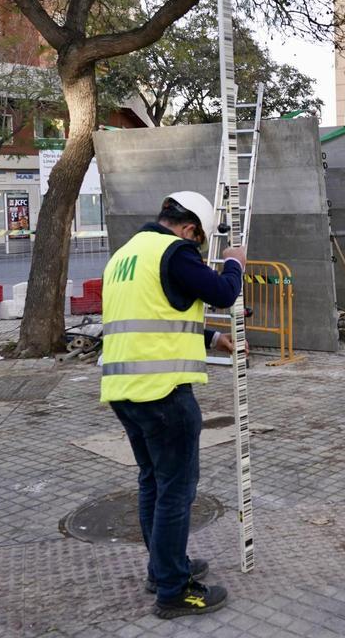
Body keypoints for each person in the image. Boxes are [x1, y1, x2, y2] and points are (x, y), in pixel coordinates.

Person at [101, 191, 244, 620]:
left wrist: (209, 337)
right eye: (198, 243)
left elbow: (153, 313)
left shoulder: (126, 255)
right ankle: (174, 590)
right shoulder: (175, 251)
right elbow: (223, 293)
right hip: (163, 392)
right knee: (176, 493)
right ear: (190, 229)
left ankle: (162, 568)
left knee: (153, 483)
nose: (196, 251)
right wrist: (235, 261)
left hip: (123, 389)